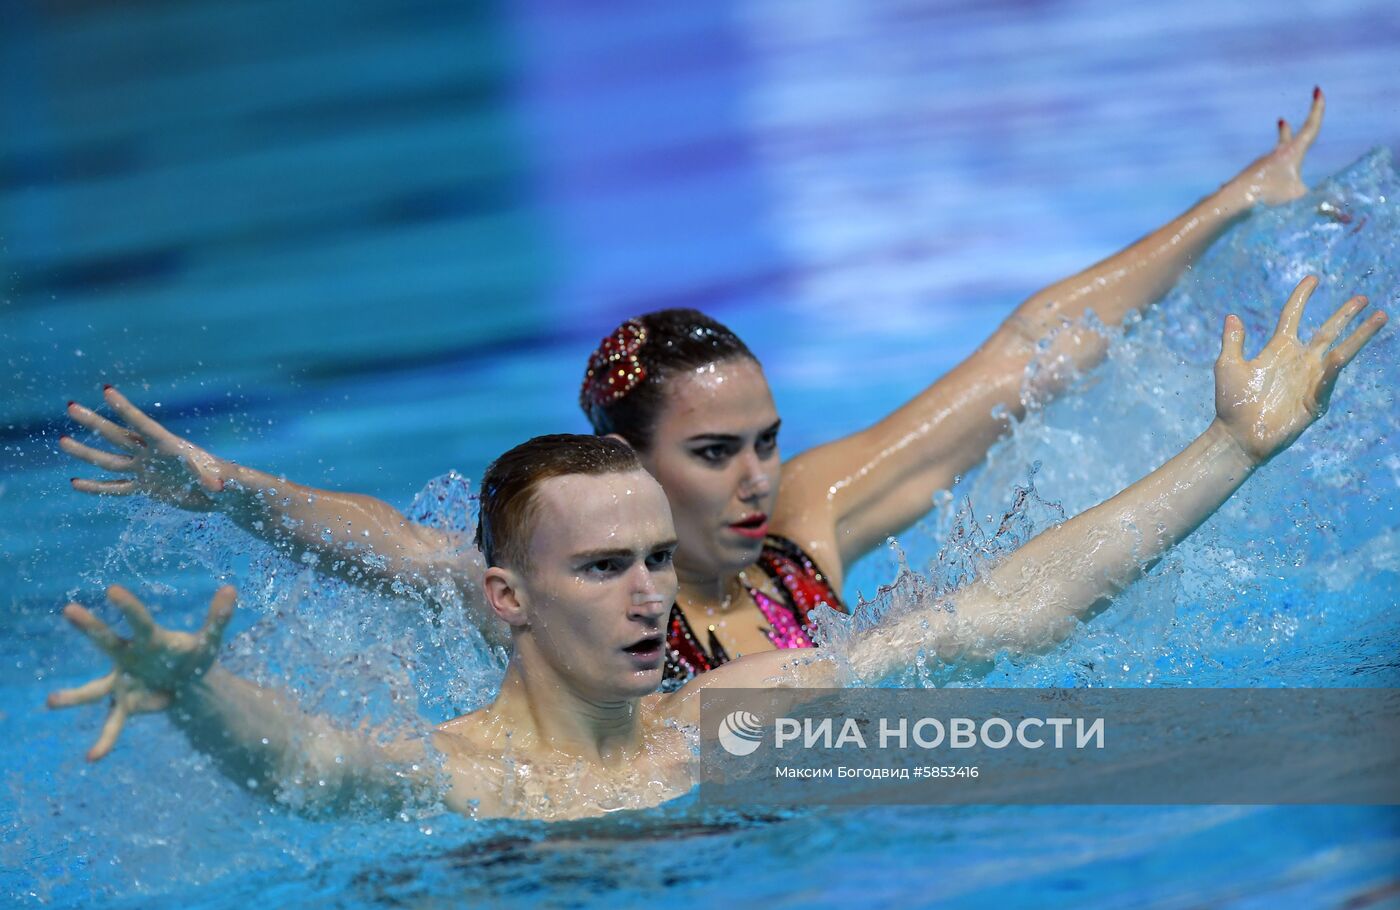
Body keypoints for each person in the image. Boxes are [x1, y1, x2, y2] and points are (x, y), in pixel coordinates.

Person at [60, 92, 1331, 679]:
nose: (758, 478)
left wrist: (1227, 202)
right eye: (715, 452)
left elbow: (1021, 358)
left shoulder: (805, 528)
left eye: (764, 440)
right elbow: (387, 542)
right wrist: (221, 487)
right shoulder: (570, 585)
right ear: (623, 464)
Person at [47, 279, 1385, 820]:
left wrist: (1235, 449)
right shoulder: (468, 777)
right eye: (601, 569)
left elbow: (995, 614)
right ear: (507, 597)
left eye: (650, 560)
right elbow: (323, 770)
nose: (647, 593)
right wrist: (195, 681)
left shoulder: (732, 714)